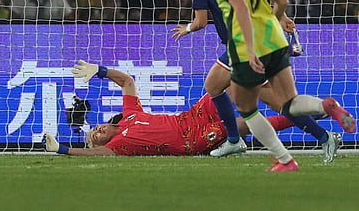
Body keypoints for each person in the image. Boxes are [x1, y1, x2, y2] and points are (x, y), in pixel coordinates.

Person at [171, 0, 342, 163]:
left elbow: (200, 22)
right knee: (275, 102)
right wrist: (280, 18)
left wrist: (186, 28)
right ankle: (324, 134)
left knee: (215, 86)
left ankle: (235, 140)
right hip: (264, 40)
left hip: (241, 46)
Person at [209, 0, 356, 171]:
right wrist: (273, 24)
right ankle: (325, 105)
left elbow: (241, 8)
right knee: (289, 102)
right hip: (276, 41)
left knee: (246, 108)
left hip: (246, 47)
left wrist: (252, 47)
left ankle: (285, 160)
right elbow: (283, 1)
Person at [43, 60, 295, 157]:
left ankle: (282, 95)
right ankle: (303, 116)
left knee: (230, 84)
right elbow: (97, 155)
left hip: (190, 116)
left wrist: (100, 71)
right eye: (95, 137)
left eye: (95, 130)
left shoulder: (130, 115)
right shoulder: (120, 145)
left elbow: (127, 81)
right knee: (245, 125)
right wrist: (63, 149)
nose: (97, 130)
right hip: (191, 140)